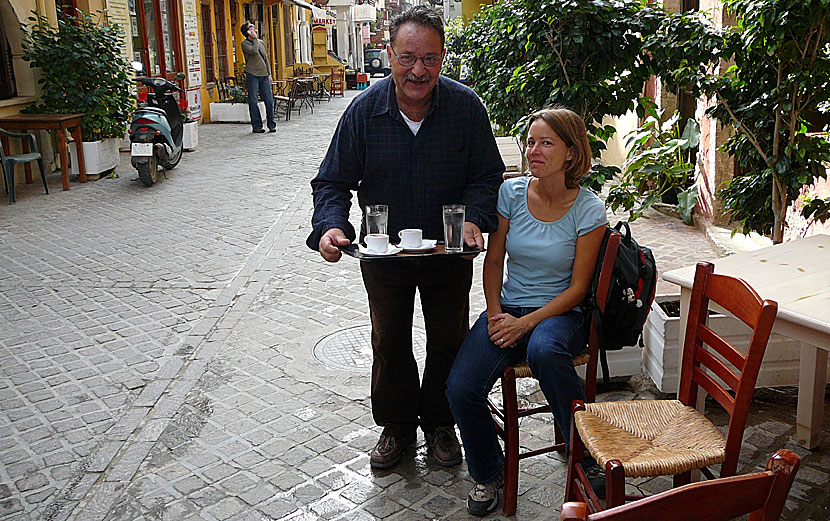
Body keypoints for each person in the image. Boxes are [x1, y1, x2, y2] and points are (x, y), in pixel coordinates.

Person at [307, 6, 504, 470]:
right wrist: (330, 226)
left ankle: (440, 423)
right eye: (409, 57)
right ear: (390, 54)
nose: (419, 70)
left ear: (442, 59)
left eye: (431, 59)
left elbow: (487, 176)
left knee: (448, 338)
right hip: (384, 254)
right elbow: (332, 181)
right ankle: (395, 426)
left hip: (448, 252)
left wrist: (476, 217)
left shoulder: (465, 107)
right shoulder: (364, 110)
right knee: (389, 340)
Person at [446, 107, 608, 516]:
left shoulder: (588, 209)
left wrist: (528, 323)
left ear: (571, 153)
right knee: (461, 389)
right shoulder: (511, 194)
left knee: (544, 350)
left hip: (559, 314)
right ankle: (489, 470)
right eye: (531, 141)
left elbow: (578, 289)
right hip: (509, 308)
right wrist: (498, 315)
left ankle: (585, 454)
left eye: (546, 143)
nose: (534, 150)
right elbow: (494, 261)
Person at [240, 21, 276, 133]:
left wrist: (269, 74)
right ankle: (257, 125)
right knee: (253, 100)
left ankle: (271, 124)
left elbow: (266, 59)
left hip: (264, 75)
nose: (254, 27)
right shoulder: (245, 44)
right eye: (251, 27)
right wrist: (254, 39)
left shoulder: (261, 42)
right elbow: (254, 51)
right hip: (253, 75)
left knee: (269, 100)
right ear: (247, 31)